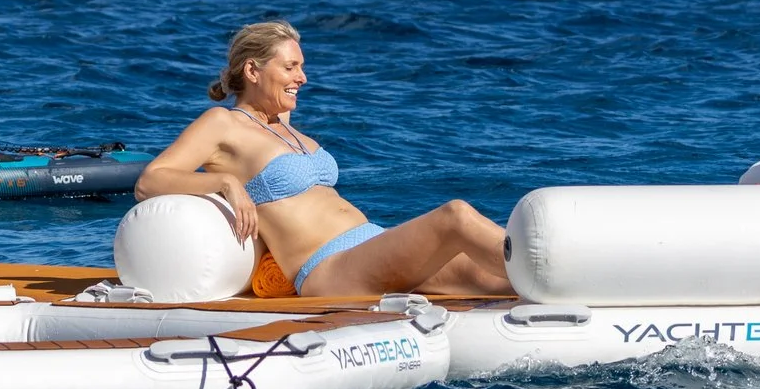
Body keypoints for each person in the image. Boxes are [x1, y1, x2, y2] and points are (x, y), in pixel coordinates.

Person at [134, 21, 511, 298]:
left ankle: (560, 279)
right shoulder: (222, 124)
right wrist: (225, 183)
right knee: (455, 217)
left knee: (502, 281)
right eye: (290, 67)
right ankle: (551, 268)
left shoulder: (283, 124)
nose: (303, 77)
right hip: (330, 268)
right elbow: (151, 180)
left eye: (301, 66)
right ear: (252, 70)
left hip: (372, 244)